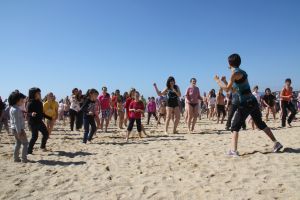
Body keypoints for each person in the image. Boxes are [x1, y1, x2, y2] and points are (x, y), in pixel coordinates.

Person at [214, 53, 283, 156]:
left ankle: (234, 151)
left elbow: (227, 89)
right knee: (260, 124)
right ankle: (276, 143)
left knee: (235, 126)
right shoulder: (241, 72)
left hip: (245, 103)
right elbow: (234, 90)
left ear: (229, 63)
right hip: (252, 101)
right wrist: (224, 81)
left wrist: (218, 80)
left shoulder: (234, 73)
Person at [27, 88, 51, 154]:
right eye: (38, 93)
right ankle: (29, 150)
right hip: (33, 123)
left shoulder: (40, 103)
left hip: (40, 122)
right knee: (34, 137)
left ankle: (42, 147)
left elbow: (41, 113)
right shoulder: (30, 103)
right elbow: (28, 113)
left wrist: (49, 117)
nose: (40, 94)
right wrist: (31, 114)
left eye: (40, 93)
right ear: (33, 94)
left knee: (46, 134)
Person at [8, 91, 28, 163]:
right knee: (25, 143)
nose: (23, 102)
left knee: (18, 143)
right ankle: (24, 158)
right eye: (22, 100)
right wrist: (19, 131)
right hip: (18, 129)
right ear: (17, 100)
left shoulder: (13, 108)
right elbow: (17, 122)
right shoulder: (16, 110)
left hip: (14, 128)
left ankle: (16, 158)